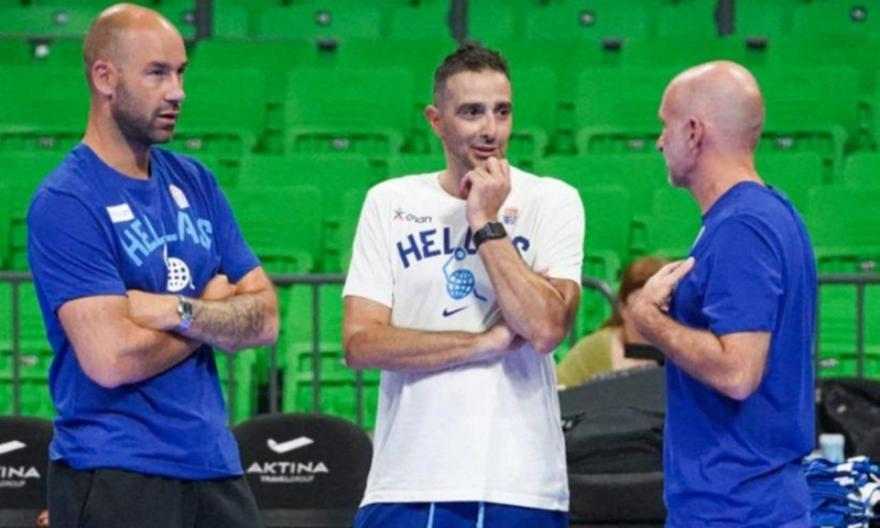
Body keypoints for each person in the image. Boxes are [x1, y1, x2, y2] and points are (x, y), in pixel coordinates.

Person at [26, 4, 279, 527]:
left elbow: (267, 320)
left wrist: (175, 310)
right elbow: (111, 360)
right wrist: (210, 311)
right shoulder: (67, 200)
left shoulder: (196, 181)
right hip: (114, 468)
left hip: (214, 464)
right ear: (105, 78)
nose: (177, 92)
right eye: (158, 73)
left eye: (181, 72)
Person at [342, 44, 584, 528]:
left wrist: (485, 220)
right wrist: (482, 343)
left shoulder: (552, 200)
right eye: (471, 112)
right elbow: (361, 343)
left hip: (521, 482)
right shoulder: (389, 202)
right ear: (436, 120)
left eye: (502, 111)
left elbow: (544, 328)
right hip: (407, 480)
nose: (490, 129)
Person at [630, 61, 816, 527]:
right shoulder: (768, 213)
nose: (659, 141)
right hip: (751, 502)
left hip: (735, 508)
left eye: (665, 125)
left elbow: (738, 371)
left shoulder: (741, 228)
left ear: (694, 133)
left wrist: (650, 319)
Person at [557, 256, 666, 388]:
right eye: (641, 302)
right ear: (623, 308)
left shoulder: (682, 351)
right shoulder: (592, 351)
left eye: (662, 303)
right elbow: (559, 391)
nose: (651, 313)